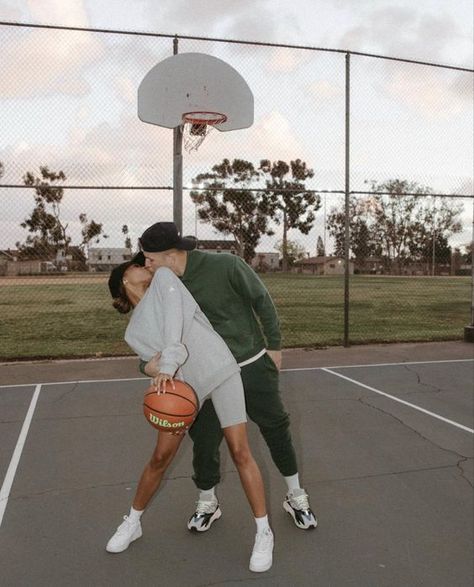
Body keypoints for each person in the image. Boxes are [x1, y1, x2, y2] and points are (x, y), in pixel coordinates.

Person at [138, 222, 317, 532]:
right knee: (204, 442)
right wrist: (146, 366)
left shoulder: (226, 266)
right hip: (203, 376)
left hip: (250, 364)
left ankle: (295, 494)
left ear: (170, 254)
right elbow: (154, 339)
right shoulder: (163, 288)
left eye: (149, 258)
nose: (145, 265)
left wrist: (273, 347)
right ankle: (208, 501)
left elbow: (263, 301)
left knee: (276, 428)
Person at [106, 254, 274, 573]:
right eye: (140, 265)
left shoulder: (167, 281)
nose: (148, 266)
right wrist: (151, 367)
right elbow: (152, 359)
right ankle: (133, 522)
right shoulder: (133, 334)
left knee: (240, 452)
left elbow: (174, 332)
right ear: (125, 280)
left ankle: (264, 532)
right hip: (183, 389)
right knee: (159, 458)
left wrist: (164, 365)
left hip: (219, 369)